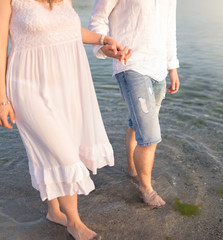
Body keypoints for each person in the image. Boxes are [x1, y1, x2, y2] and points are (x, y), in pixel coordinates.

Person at [0, 0, 131, 239]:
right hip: (26, 83)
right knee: (62, 152)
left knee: (53, 149)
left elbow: (68, 31)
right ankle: (74, 222)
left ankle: (54, 211)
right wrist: (2, 99)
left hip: (65, 83)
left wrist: (104, 40)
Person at [89, 0, 180, 207]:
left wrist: (172, 67)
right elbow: (98, 18)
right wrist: (105, 47)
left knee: (136, 123)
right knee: (149, 136)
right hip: (130, 64)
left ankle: (133, 170)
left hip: (158, 69)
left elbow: (169, 29)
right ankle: (146, 189)